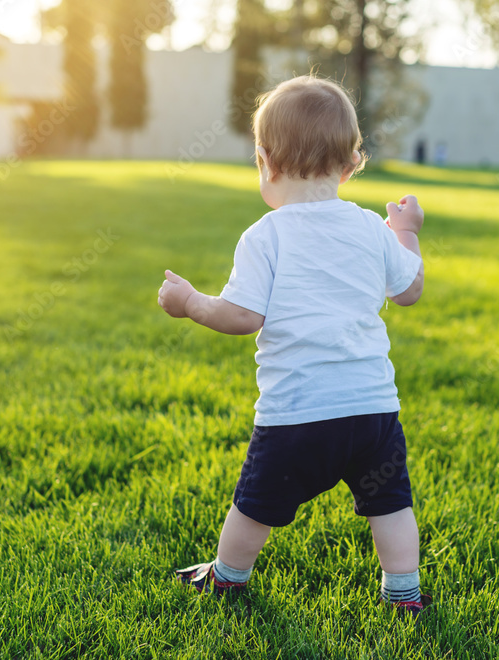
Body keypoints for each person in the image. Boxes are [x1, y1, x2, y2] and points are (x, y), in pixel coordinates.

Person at [156, 75, 430, 617]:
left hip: (296, 416)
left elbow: (242, 316)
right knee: (391, 504)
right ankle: (404, 594)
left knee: (254, 504)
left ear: (264, 160)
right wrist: (406, 231)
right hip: (373, 413)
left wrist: (190, 302)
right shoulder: (372, 230)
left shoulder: (267, 234)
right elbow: (410, 290)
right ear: (352, 164)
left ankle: (228, 577)